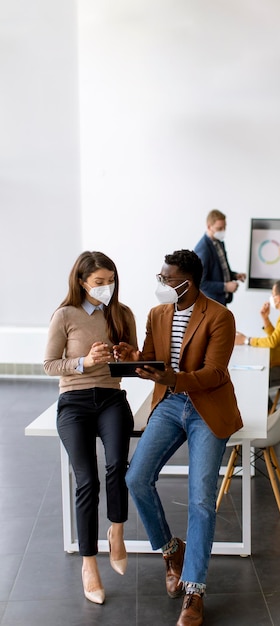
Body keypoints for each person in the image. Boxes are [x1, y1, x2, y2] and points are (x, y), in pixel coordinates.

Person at [114, 249, 242, 626]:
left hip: (207, 408)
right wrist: (132, 356)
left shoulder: (220, 316)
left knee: (201, 498)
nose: (162, 284)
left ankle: (194, 591)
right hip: (170, 405)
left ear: (189, 281)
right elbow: (152, 363)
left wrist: (173, 378)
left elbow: (216, 373)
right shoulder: (157, 314)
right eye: (161, 277)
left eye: (167, 279)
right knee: (136, 478)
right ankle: (172, 550)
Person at [44, 251, 138, 605]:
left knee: (117, 465)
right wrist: (84, 362)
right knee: (87, 479)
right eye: (99, 283)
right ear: (82, 282)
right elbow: (49, 365)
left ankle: (117, 532)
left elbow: (135, 365)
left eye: (110, 281)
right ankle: (89, 564)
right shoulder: (65, 315)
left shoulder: (122, 314)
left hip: (112, 399)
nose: (106, 288)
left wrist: (130, 357)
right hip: (74, 403)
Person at [194, 209, 246, 305]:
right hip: (211, 304)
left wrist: (234, 275)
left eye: (224, 227)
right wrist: (225, 287)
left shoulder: (219, 243)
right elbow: (201, 283)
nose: (223, 231)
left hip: (222, 302)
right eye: (219, 228)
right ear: (209, 227)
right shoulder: (203, 249)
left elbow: (220, 269)